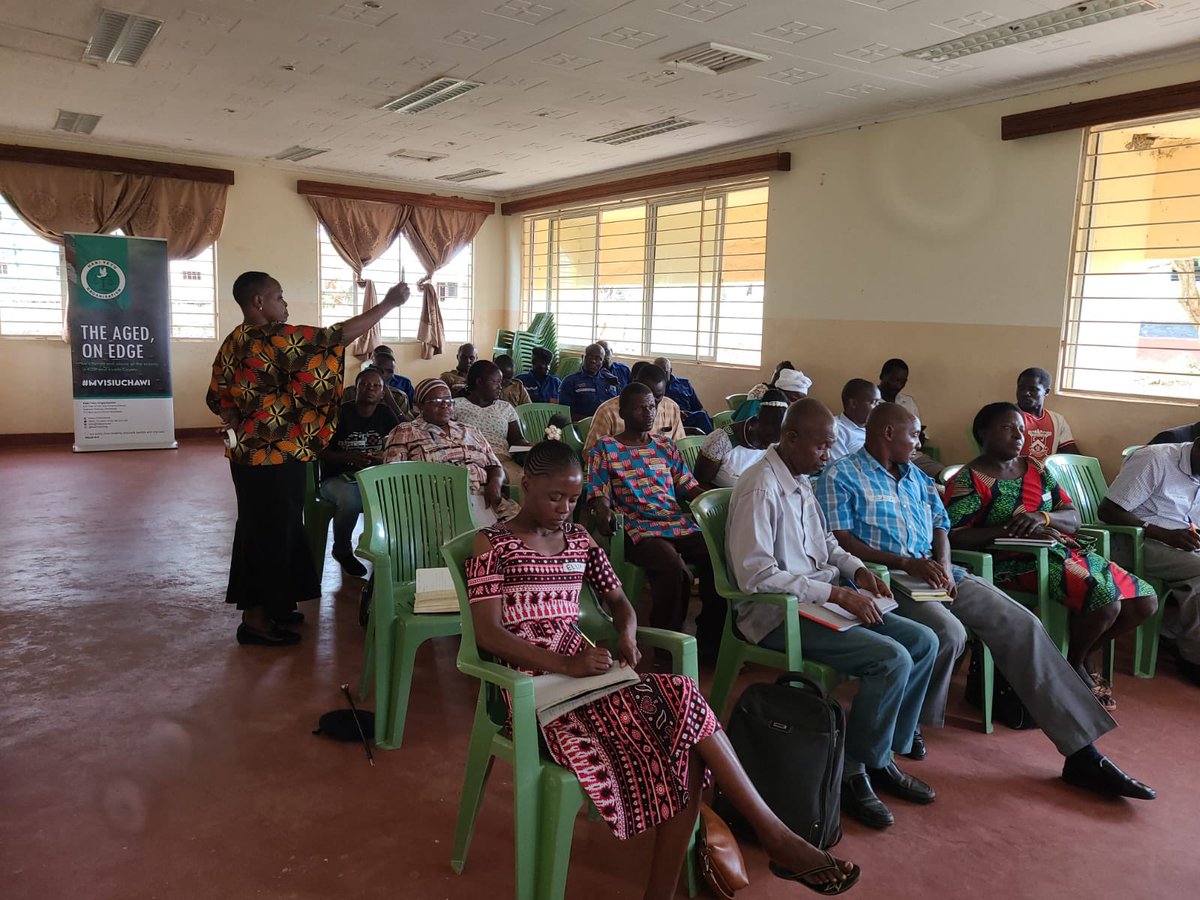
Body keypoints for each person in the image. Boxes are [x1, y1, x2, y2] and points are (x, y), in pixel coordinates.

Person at [466, 440, 860, 898]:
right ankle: (772, 838)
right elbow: (489, 634)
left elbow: (619, 602)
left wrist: (628, 634)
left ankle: (764, 841)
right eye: (555, 497)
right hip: (535, 687)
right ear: (525, 484)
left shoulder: (578, 539)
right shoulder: (492, 543)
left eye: (573, 499)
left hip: (590, 674)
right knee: (685, 736)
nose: (565, 509)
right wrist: (566, 665)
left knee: (684, 716)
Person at [817, 404, 1156, 800]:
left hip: (938, 572)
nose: (920, 443)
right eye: (914, 435)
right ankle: (906, 731)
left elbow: (942, 526)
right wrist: (910, 563)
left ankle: (1082, 753)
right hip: (885, 578)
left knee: (1023, 625)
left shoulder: (917, 478)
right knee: (947, 631)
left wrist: (942, 563)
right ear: (888, 432)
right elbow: (841, 542)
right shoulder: (841, 475)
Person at [727, 399, 937, 830]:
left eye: (830, 446)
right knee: (890, 659)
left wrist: (858, 571)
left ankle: (881, 757)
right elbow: (757, 576)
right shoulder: (761, 488)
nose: (828, 455)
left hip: (817, 600)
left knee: (924, 641)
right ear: (791, 438)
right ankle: (853, 772)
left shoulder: (801, 481)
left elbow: (827, 543)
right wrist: (837, 594)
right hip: (776, 615)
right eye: (822, 446)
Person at [207, 271, 410, 646]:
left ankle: (277, 606)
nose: (285, 305)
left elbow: (217, 395)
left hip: (255, 456)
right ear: (258, 303)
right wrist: (388, 304)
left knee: (276, 530)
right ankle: (255, 622)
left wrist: (238, 419)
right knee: (265, 535)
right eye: (279, 296)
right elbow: (336, 337)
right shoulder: (270, 337)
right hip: (271, 458)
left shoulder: (234, 340)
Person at [945, 402, 1156, 710]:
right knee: (1105, 601)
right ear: (983, 433)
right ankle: (1075, 667)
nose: (1018, 435)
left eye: (1021, 429)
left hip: (1063, 551)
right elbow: (953, 534)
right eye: (1007, 428)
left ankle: (1071, 663)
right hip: (1014, 562)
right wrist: (1010, 529)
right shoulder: (968, 479)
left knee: (1144, 601)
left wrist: (1043, 518)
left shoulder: (1035, 467)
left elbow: (1073, 517)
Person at [587, 384, 723, 661]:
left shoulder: (665, 446)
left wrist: (721, 504)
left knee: (719, 554)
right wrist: (602, 511)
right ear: (623, 411)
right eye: (640, 407)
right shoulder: (606, 447)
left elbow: (689, 487)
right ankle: (667, 648)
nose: (649, 412)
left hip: (673, 521)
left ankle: (711, 639)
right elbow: (597, 493)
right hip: (634, 526)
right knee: (673, 567)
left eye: (651, 406)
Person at [1100, 440, 1200, 687]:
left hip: (1179, 545)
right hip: (1134, 542)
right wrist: (1166, 535)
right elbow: (1109, 511)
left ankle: (1170, 633)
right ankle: (1193, 658)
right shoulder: (1156, 459)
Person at [382, 378, 518, 526]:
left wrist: (495, 485)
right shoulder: (405, 431)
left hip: (483, 500)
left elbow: (495, 466)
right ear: (420, 406)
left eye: (448, 400)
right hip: (434, 506)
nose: (445, 405)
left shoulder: (470, 430)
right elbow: (392, 479)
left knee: (523, 530)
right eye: (437, 401)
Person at [318, 367, 400, 578]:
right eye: (364, 385)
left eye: (376, 386)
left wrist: (381, 456)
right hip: (337, 479)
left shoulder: (385, 414)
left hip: (374, 477)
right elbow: (320, 450)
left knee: (398, 497)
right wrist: (349, 458)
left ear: (383, 392)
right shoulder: (340, 413)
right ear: (356, 389)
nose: (370, 389)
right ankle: (342, 549)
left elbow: (398, 445)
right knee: (351, 500)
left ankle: (385, 550)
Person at [694, 389, 788, 489]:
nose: (769, 446)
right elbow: (700, 484)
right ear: (755, 422)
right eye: (766, 439)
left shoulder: (779, 444)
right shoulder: (720, 440)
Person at [453, 360, 527, 484]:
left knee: (525, 482)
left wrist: (535, 446)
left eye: (500, 382)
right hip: (467, 460)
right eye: (495, 382)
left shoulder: (505, 408)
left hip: (502, 461)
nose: (500, 387)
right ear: (479, 382)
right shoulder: (456, 405)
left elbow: (517, 441)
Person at [584, 363, 685, 451]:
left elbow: (679, 448)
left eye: (658, 396)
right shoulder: (607, 411)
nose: (652, 402)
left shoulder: (672, 408)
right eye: (646, 395)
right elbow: (590, 452)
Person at [877, 358, 942, 478]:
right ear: (882, 376)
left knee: (943, 474)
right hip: (882, 459)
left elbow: (919, 434)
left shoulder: (908, 402)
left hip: (912, 457)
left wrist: (917, 437)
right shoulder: (870, 401)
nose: (898, 385)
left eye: (903, 381)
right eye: (894, 380)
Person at [1015, 367, 1081, 464]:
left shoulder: (1057, 420)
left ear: (1046, 392)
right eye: (1021, 388)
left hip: (1046, 476)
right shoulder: (1007, 417)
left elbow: (1073, 457)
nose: (1025, 393)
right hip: (1015, 476)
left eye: (1033, 389)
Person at [559, 342, 621, 422]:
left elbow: (618, 407)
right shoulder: (570, 381)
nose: (593, 361)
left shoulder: (610, 381)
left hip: (610, 426)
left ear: (602, 362)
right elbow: (565, 413)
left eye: (599, 358)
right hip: (582, 427)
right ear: (583, 358)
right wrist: (594, 420)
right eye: (590, 356)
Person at [655, 356, 713, 433]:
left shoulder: (684, 384)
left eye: (664, 371)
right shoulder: (652, 386)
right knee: (701, 416)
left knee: (703, 414)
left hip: (687, 418)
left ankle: (712, 440)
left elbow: (698, 407)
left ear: (670, 371)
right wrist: (675, 412)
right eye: (658, 371)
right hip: (667, 420)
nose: (661, 374)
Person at [829, 379, 880, 462]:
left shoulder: (874, 430)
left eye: (878, 403)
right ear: (853, 404)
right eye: (873, 402)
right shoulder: (837, 430)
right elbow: (840, 468)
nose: (877, 408)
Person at [736, 367, 811, 422]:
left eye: (799, 403)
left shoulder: (790, 415)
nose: (796, 406)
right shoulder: (754, 407)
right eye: (793, 400)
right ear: (779, 392)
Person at [343, 360, 410, 421]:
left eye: (376, 385)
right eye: (365, 384)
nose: (371, 388)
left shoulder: (398, 398)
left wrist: (390, 400)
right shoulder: (348, 395)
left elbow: (406, 427)